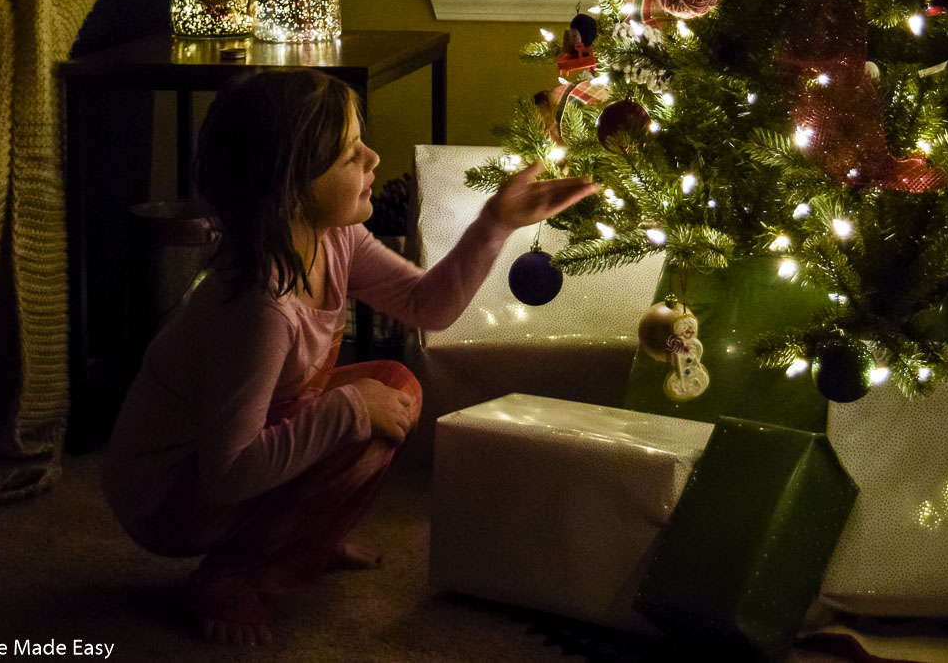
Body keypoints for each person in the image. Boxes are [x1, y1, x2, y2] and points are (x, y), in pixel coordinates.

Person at [102, 68, 597, 646]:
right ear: (290, 188)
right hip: (170, 499)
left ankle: (301, 537)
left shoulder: (332, 237)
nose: (373, 156)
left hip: (229, 460)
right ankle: (234, 575)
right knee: (367, 406)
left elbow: (425, 305)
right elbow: (228, 470)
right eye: (348, 156)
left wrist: (496, 223)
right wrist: (350, 407)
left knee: (394, 384)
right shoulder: (261, 307)